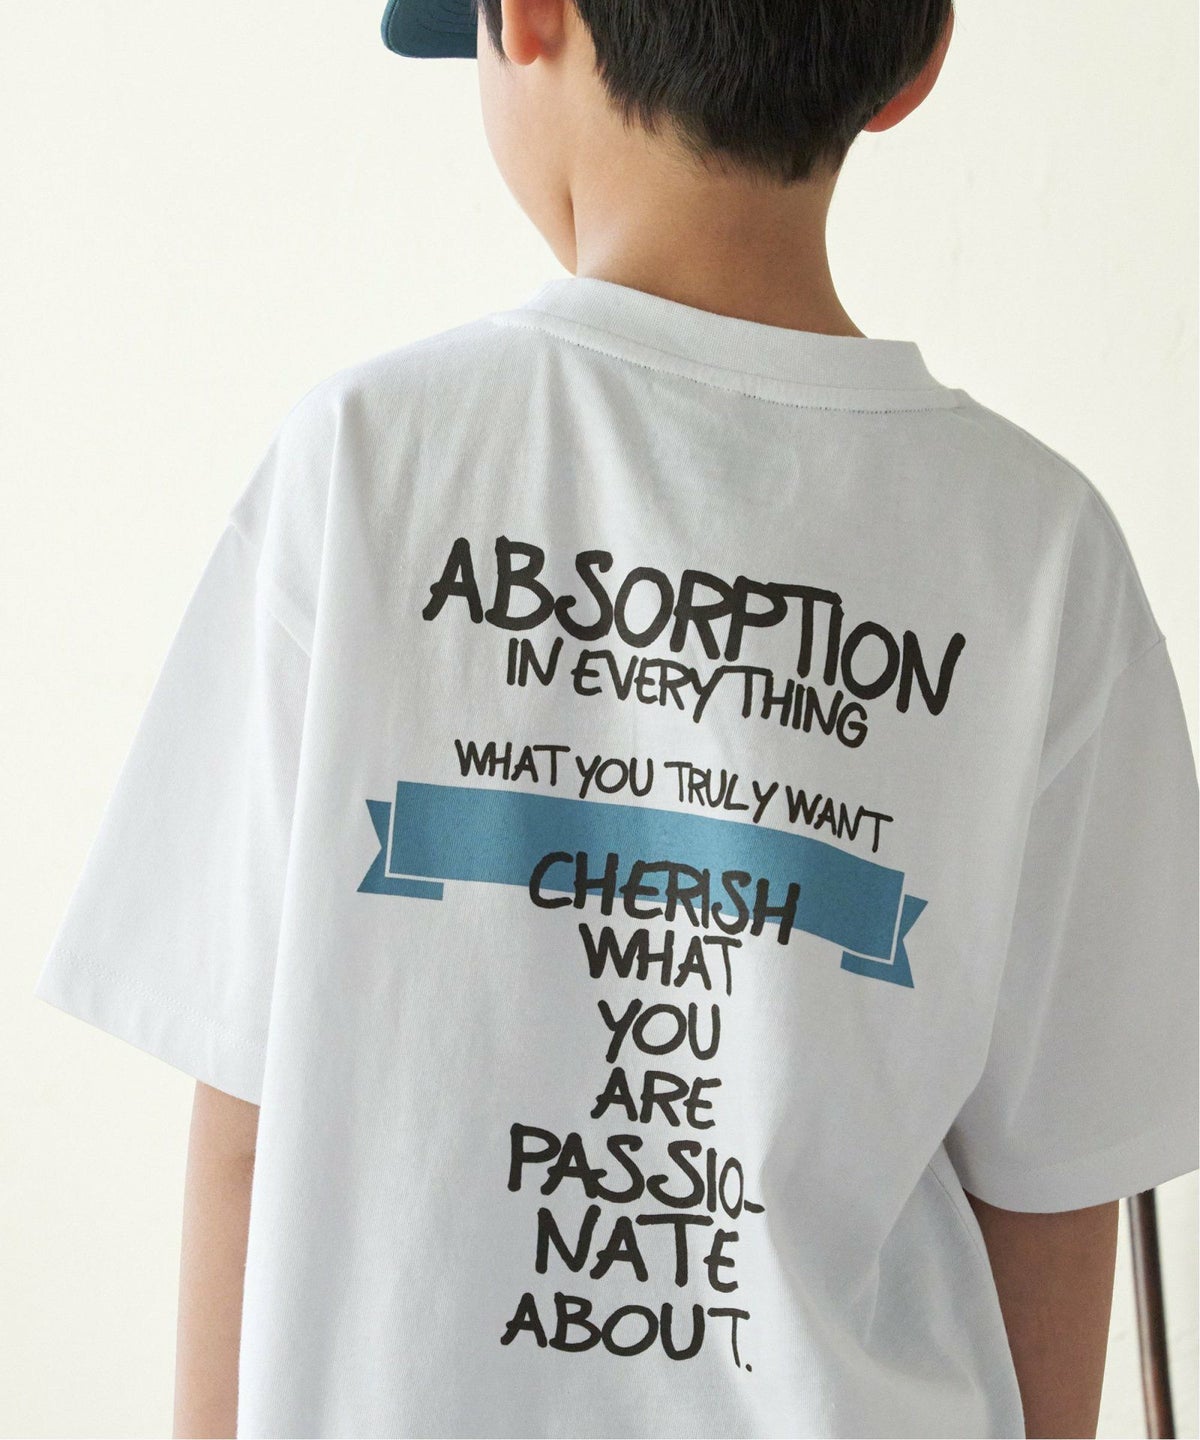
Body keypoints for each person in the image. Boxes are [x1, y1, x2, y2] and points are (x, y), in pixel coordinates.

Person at [32, 0, 1198, 1436]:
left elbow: (247, 1127)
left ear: (527, 15)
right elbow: (1055, 1196)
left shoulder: (363, 465)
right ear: (920, 62)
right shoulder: (1040, 555)